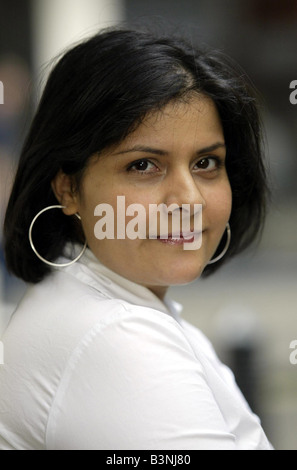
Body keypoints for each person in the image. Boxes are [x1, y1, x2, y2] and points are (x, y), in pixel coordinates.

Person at [0, 27, 272, 450]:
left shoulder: (113, 307)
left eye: (206, 162)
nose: (188, 198)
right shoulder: (114, 335)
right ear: (68, 189)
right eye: (144, 165)